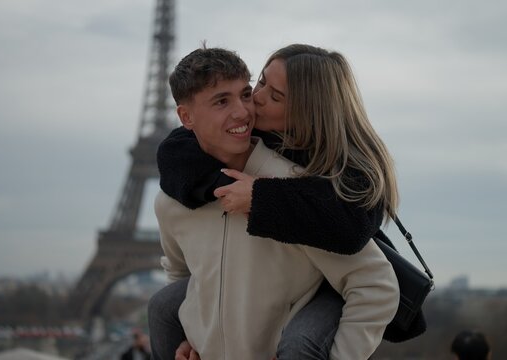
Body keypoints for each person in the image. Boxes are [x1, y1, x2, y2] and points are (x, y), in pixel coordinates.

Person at [150, 46, 399, 360]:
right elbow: (183, 278)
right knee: (160, 305)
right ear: (186, 117)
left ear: (305, 113)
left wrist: (263, 198)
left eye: (245, 94)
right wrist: (190, 332)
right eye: (222, 101)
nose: (247, 107)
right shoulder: (176, 196)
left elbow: (374, 281)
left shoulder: (299, 190)